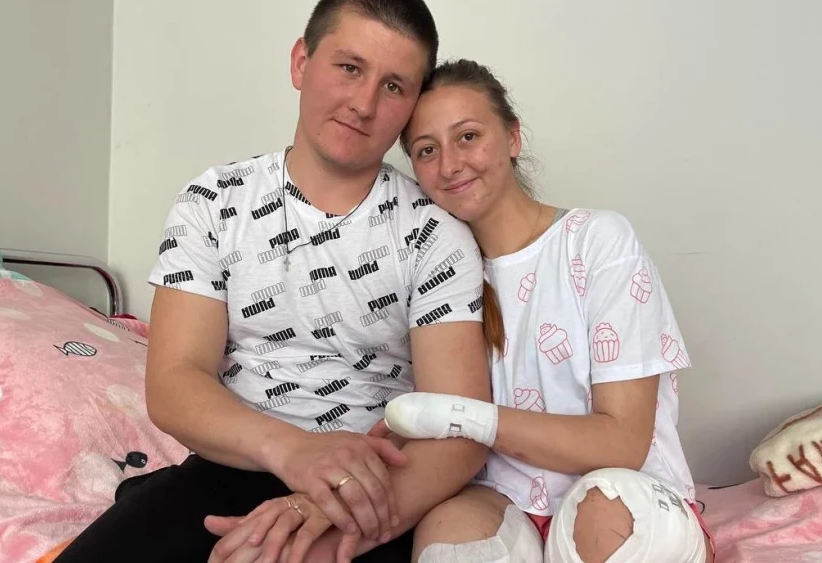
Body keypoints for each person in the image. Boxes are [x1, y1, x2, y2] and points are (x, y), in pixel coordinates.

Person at [54, 2, 494, 562]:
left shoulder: (436, 234)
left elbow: (460, 431)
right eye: (349, 68)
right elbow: (174, 381)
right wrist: (295, 452)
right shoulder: (212, 203)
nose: (363, 104)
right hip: (233, 463)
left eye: (393, 86)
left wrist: (336, 517)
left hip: (376, 489)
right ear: (301, 62)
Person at [375, 59, 716, 562]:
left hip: (624, 494)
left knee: (603, 513)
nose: (449, 165)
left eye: (468, 137)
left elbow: (622, 442)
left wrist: (462, 418)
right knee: (449, 532)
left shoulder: (597, 242)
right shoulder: (434, 278)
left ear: (512, 137)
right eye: (427, 150)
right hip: (504, 500)